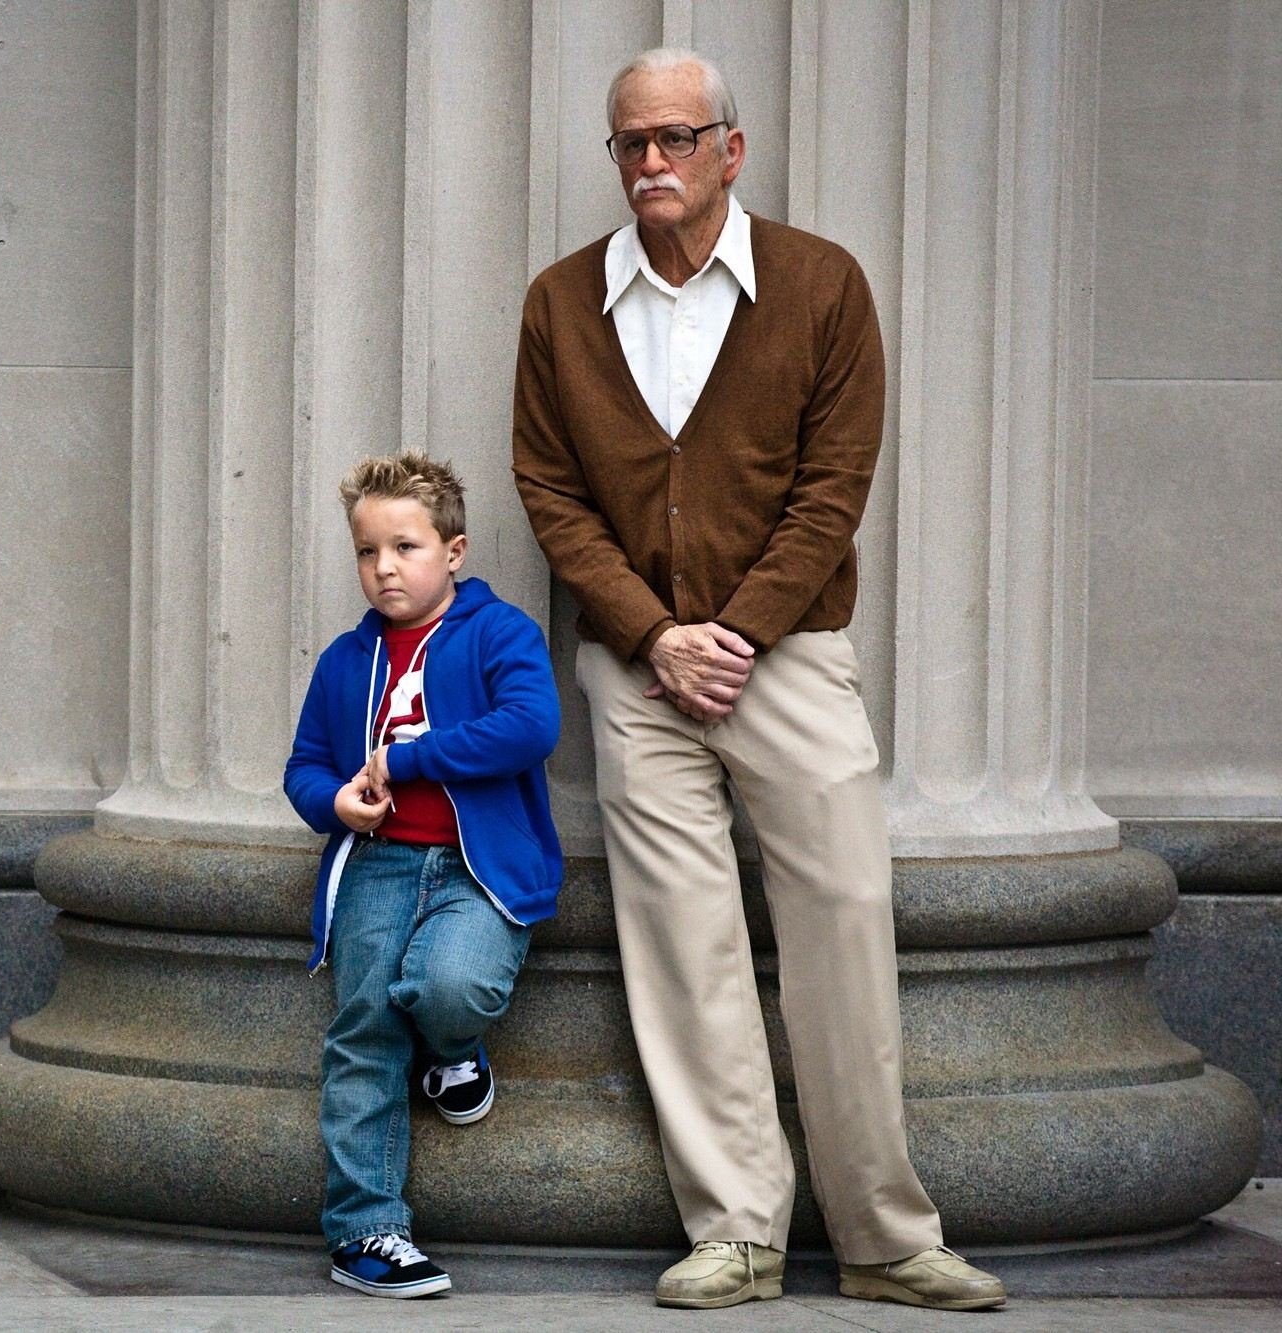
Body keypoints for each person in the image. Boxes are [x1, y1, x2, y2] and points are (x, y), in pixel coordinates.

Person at [512, 48, 1007, 1312]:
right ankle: (735, 1229)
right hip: (638, 673)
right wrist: (651, 634)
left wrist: (732, 632)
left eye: (675, 138)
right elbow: (549, 491)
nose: (651, 162)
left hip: (785, 657)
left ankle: (883, 1236)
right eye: (630, 142)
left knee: (841, 922)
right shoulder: (562, 303)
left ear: (730, 150)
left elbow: (833, 486)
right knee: (682, 947)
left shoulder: (821, 285)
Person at [283, 451, 564, 1299]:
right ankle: (365, 1230)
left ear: (453, 550)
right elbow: (303, 768)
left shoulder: (498, 632)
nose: (384, 568)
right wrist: (336, 802)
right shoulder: (345, 660)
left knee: (450, 987)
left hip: (480, 871)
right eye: (367, 551)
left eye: (405, 547)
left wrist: (410, 760)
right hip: (377, 865)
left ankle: (451, 1049)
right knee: (365, 1031)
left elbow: (531, 725)